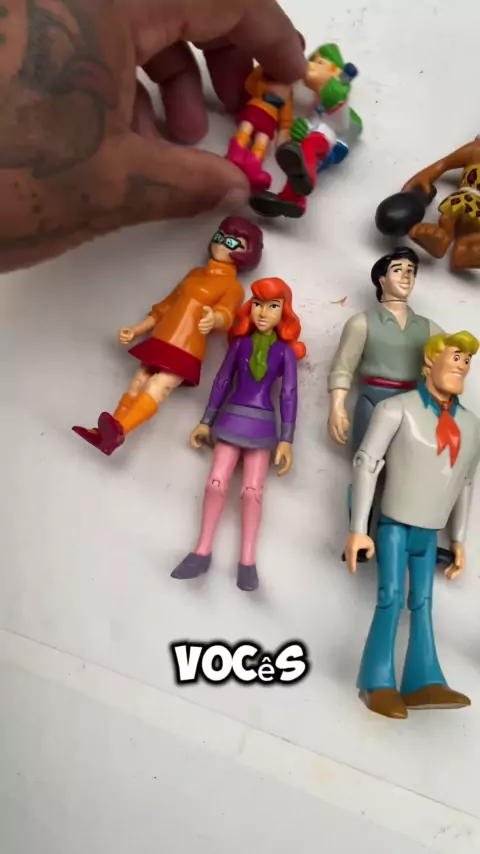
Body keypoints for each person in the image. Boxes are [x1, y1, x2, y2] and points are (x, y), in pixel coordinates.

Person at [0, 0, 306, 273]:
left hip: (263, 124)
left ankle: (257, 169)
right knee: (243, 140)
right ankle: (244, 165)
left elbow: (284, 120)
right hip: (252, 118)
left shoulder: (284, 100)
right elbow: (251, 88)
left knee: (255, 142)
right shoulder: (259, 84)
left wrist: (285, 140)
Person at [344, 331, 480, 719]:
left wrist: (458, 539)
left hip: (429, 532)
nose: (461, 365)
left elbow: (465, 481)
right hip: (394, 526)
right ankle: (377, 682)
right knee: (390, 598)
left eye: (467, 360)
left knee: (423, 603)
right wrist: (358, 529)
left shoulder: (471, 425)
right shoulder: (397, 410)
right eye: (455, 356)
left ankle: (423, 680)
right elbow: (366, 463)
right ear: (429, 362)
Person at [72, 217, 263, 455]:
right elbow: (165, 306)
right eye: (219, 237)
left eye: (233, 243)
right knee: (138, 381)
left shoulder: (232, 287)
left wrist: (214, 319)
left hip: (188, 347)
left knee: (158, 385)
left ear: (247, 253)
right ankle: (107, 435)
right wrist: (137, 329)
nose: (222, 244)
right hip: (163, 337)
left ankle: (120, 431)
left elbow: (226, 315)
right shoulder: (195, 273)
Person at [171, 277, 306, 592]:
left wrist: (287, 439)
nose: (263, 312)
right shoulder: (240, 344)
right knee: (215, 484)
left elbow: (289, 394)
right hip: (232, 419)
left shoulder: (284, 353)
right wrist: (206, 420)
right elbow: (221, 381)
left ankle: (247, 562)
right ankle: (201, 551)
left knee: (252, 492)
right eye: (258, 304)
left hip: (263, 425)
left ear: (284, 313)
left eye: (273, 306)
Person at [327, 248, 442, 454]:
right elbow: (343, 368)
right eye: (397, 270)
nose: (406, 276)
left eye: (411, 271)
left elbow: (451, 359)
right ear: (382, 280)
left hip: (414, 405)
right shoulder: (362, 323)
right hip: (375, 402)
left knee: (410, 462)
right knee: (367, 461)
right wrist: (337, 407)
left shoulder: (429, 328)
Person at [250, 43, 362, 219]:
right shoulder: (316, 102)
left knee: (306, 151)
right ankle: (291, 200)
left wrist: (340, 90)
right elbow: (315, 121)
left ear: (334, 71)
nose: (311, 66)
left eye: (319, 63)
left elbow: (340, 118)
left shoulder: (335, 93)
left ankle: (306, 179)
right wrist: (302, 128)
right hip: (315, 137)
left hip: (326, 139)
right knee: (299, 160)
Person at [402, 135, 480, 270]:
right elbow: (445, 163)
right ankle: (442, 239)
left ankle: (466, 252)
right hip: (467, 198)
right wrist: (425, 177)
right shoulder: (476, 151)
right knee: (448, 216)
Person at [225, 67, 293, 192]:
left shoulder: (287, 92)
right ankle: (235, 155)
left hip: (270, 118)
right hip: (255, 109)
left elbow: (286, 116)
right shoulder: (262, 79)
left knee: (261, 142)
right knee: (244, 131)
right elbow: (249, 86)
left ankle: (253, 168)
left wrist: (284, 131)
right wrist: (261, 70)